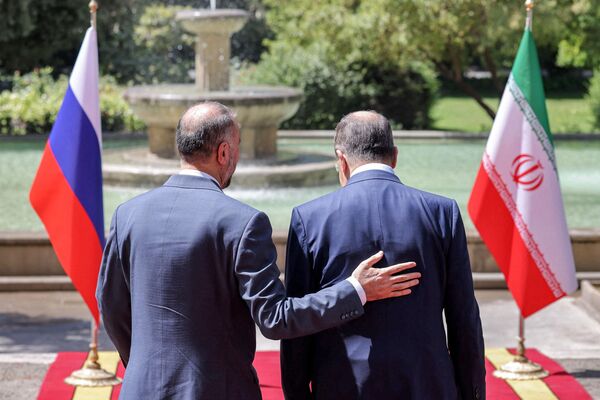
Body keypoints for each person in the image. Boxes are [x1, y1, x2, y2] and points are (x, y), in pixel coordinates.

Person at [96, 102, 421, 399]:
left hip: (140, 389)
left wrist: (140, 364)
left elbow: (110, 305)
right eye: (237, 148)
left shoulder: (127, 214)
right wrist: (356, 290)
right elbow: (275, 319)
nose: (237, 158)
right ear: (223, 153)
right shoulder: (242, 222)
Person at [281, 111, 486, 400]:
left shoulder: (309, 218)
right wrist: (472, 392)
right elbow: (463, 319)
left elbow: (299, 324)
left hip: (343, 386)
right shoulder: (443, 213)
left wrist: (297, 393)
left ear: (341, 160)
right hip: (426, 384)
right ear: (395, 156)